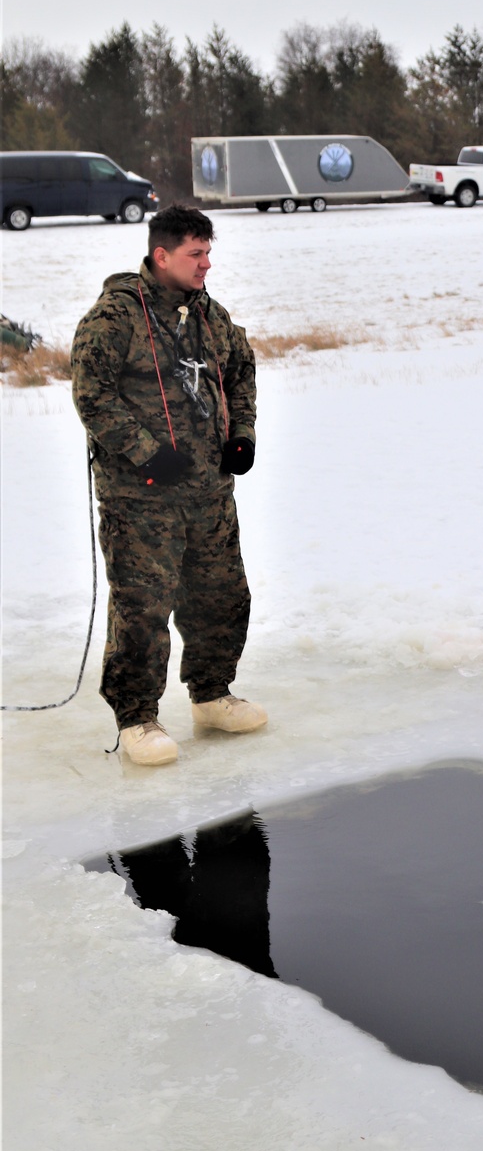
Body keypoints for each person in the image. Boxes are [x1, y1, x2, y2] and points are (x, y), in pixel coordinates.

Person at [71, 204, 266, 766]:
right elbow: (92, 394)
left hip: (209, 493)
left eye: (209, 253)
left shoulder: (208, 315)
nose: (207, 264)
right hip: (141, 499)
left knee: (222, 597)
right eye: (195, 254)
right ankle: (137, 718)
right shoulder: (116, 317)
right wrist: (145, 453)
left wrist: (242, 435)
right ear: (162, 256)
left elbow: (241, 368)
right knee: (143, 607)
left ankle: (212, 693)